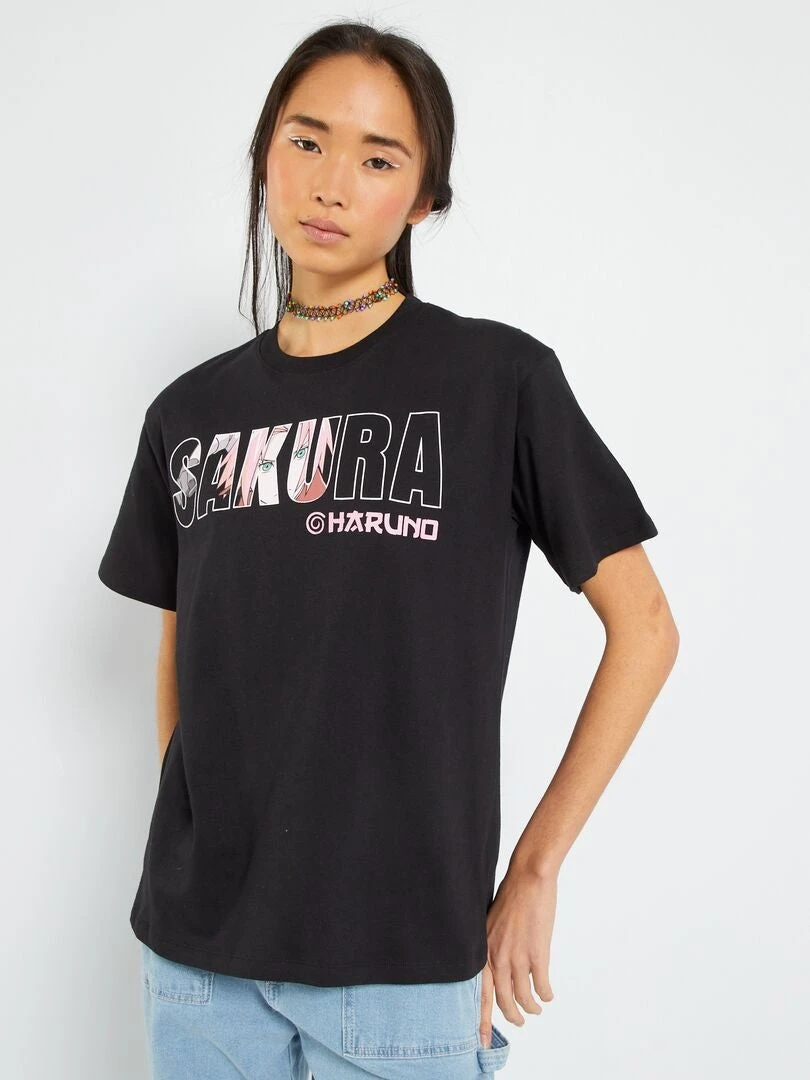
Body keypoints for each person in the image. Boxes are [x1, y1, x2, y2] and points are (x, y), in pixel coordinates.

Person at [97, 17, 679, 1080]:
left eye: (377, 159)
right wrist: (193, 839)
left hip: (403, 973)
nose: (330, 184)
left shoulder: (498, 382)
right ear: (265, 156)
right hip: (197, 973)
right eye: (307, 140)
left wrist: (536, 867)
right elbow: (187, 641)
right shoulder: (188, 412)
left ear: (421, 199)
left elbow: (644, 627)